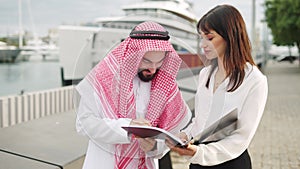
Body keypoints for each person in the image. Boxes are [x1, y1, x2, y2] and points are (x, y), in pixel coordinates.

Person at [75, 21, 192, 169]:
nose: (153, 69)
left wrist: (154, 147)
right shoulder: (103, 77)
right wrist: (126, 127)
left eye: (159, 62)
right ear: (132, 55)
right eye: (147, 61)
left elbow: (168, 137)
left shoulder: (166, 86)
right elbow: (84, 124)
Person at [168, 4, 268, 169]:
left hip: (230, 163)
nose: (202, 44)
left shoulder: (255, 80)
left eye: (209, 37)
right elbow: (200, 120)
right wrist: (184, 136)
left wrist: (199, 153)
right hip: (198, 161)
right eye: (201, 37)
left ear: (230, 36)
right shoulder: (205, 74)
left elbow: (241, 138)